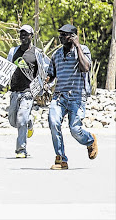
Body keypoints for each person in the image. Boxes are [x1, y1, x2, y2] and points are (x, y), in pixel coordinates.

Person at [46, 24, 98, 170]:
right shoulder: (56, 55)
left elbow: (85, 68)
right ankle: (61, 159)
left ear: (73, 36)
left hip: (77, 97)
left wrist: (78, 46)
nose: (61, 37)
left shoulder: (83, 50)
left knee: (75, 129)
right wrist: (46, 81)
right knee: (53, 121)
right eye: (60, 34)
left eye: (64, 35)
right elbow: (51, 74)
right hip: (59, 97)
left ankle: (90, 140)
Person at [6, 25, 40, 158]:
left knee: (21, 120)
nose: (23, 36)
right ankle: (29, 122)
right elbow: (7, 68)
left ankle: (21, 150)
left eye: (26, 34)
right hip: (15, 91)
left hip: (28, 92)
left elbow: (42, 72)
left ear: (32, 36)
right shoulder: (13, 51)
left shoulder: (36, 53)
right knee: (13, 121)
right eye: (21, 34)